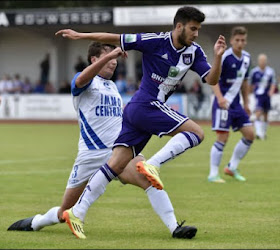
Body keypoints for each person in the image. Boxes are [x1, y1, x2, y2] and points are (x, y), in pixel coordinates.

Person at [55, 6, 226, 239]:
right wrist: (80, 36)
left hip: (137, 112)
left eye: (198, 29)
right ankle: (153, 164)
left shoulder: (194, 52)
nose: (196, 34)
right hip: (146, 105)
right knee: (197, 133)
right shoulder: (154, 41)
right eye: (193, 29)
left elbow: (211, 79)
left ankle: (78, 212)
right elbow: (114, 38)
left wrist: (217, 57)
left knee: (113, 166)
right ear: (179, 26)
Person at [7, 42, 196, 240]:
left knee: (150, 180)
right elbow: (81, 79)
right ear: (94, 60)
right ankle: (35, 222)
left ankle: (175, 228)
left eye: (115, 58)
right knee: (65, 211)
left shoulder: (113, 86)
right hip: (90, 154)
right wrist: (110, 55)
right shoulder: (86, 81)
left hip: (118, 150)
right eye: (108, 57)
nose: (113, 62)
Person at [208, 26, 254, 183]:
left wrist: (246, 103)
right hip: (223, 103)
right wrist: (220, 98)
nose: (240, 43)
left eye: (243, 40)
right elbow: (212, 78)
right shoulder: (225, 57)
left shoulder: (247, 58)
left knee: (250, 135)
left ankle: (231, 167)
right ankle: (213, 174)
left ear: (245, 41)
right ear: (232, 41)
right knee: (223, 137)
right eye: (237, 40)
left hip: (237, 105)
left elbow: (245, 82)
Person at [249, 54, 276, 140]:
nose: (262, 62)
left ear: (266, 61)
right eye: (261, 60)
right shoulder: (254, 72)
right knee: (258, 112)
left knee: (266, 115)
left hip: (266, 96)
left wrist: (271, 91)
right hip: (258, 95)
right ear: (258, 61)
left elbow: (273, 83)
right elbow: (250, 84)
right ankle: (258, 133)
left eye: (264, 60)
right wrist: (250, 92)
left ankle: (263, 133)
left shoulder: (270, 71)